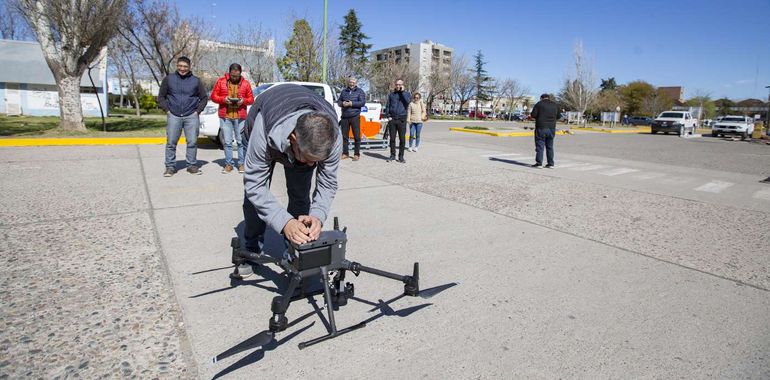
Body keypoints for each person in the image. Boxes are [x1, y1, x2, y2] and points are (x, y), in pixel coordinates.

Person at [241, 84, 341, 256]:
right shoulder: (263, 130)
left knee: (300, 196)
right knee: (253, 200)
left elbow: (328, 182)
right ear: (293, 139)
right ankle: (251, 247)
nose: (312, 166)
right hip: (267, 121)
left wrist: (318, 215)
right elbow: (254, 185)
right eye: (309, 159)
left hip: (297, 135)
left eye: (317, 162)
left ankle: (295, 248)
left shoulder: (333, 138)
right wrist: (284, 222)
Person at [158, 56, 208, 177]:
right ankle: (170, 167)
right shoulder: (169, 79)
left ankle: (191, 165)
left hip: (191, 115)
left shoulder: (196, 81)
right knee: (171, 142)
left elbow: (204, 98)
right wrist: (167, 110)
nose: (182, 69)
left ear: (189, 67)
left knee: (192, 142)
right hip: (174, 115)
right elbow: (161, 97)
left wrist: (197, 111)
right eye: (180, 66)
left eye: (185, 66)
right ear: (177, 66)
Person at [210, 63, 254, 174]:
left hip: (240, 117)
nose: (235, 78)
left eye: (237, 76)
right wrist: (224, 99)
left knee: (240, 142)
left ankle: (241, 164)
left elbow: (251, 99)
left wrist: (243, 101)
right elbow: (213, 96)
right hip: (225, 117)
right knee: (227, 142)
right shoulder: (221, 81)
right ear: (229, 73)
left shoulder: (246, 83)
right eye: (233, 75)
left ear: (240, 73)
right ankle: (229, 164)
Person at [337, 76, 366, 161]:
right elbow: (338, 102)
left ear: (356, 83)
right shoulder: (343, 91)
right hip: (345, 117)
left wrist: (351, 104)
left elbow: (362, 103)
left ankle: (356, 154)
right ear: (348, 82)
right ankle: (345, 153)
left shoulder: (360, 91)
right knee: (344, 136)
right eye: (350, 82)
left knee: (356, 136)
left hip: (355, 117)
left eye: (353, 82)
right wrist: (342, 103)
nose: (352, 83)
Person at [529, 94, 559, 168]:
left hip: (541, 127)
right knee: (550, 146)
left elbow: (533, 115)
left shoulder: (539, 104)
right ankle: (550, 163)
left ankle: (539, 163)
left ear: (541, 98)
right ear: (549, 98)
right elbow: (558, 116)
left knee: (540, 146)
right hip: (552, 128)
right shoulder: (555, 105)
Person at [386, 79, 411, 163]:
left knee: (402, 139)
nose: (398, 86)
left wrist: (402, 92)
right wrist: (388, 116)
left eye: (400, 84)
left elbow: (407, 103)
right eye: (397, 84)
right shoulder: (391, 94)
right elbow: (387, 106)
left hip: (402, 119)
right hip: (392, 119)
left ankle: (401, 157)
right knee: (392, 139)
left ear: (403, 85)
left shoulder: (407, 94)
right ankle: (392, 155)